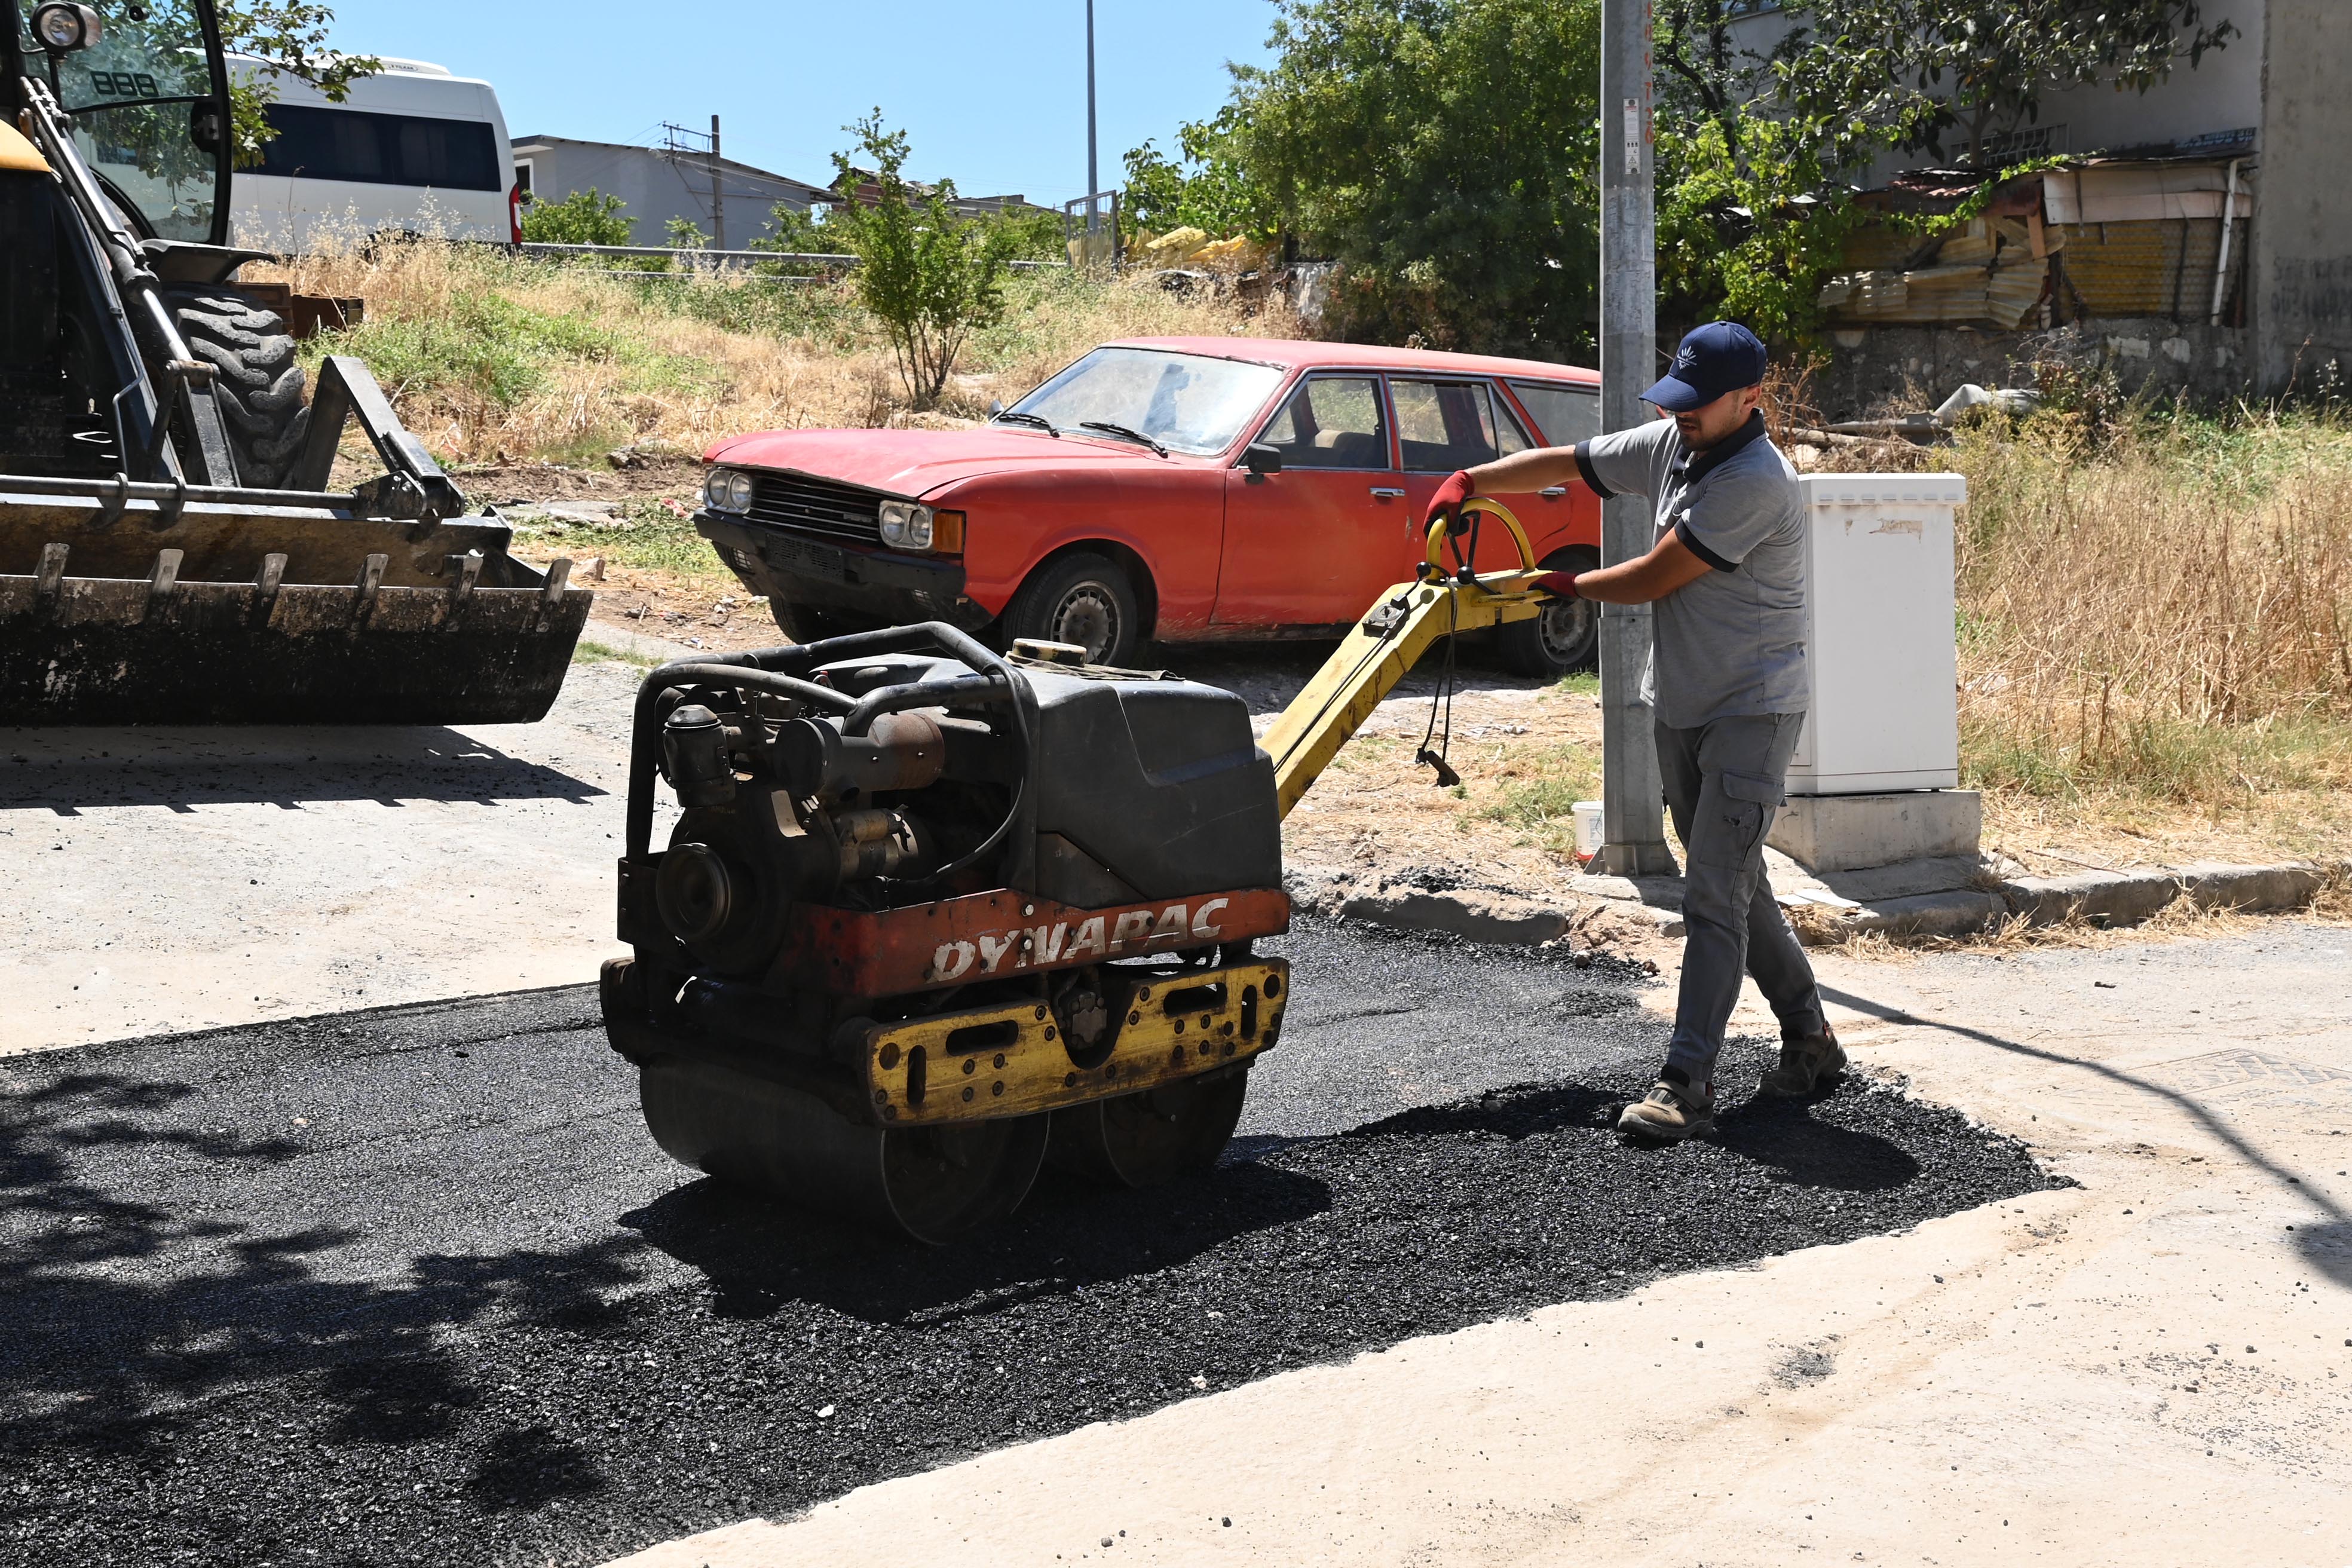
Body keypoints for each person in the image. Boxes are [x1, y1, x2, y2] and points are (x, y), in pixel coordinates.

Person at [1423, 321, 1842, 1141]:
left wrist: (1562, 582)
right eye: (1676, 398)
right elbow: (1573, 465)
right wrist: (1472, 480)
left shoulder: (1757, 480)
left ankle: (1686, 1083)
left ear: (1749, 399)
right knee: (1733, 882)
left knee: (1713, 893)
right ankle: (1811, 1038)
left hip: (1752, 710)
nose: (1681, 412)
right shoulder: (1673, 442)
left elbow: (1656, 575)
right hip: (1681, 700)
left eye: (1699, 401)